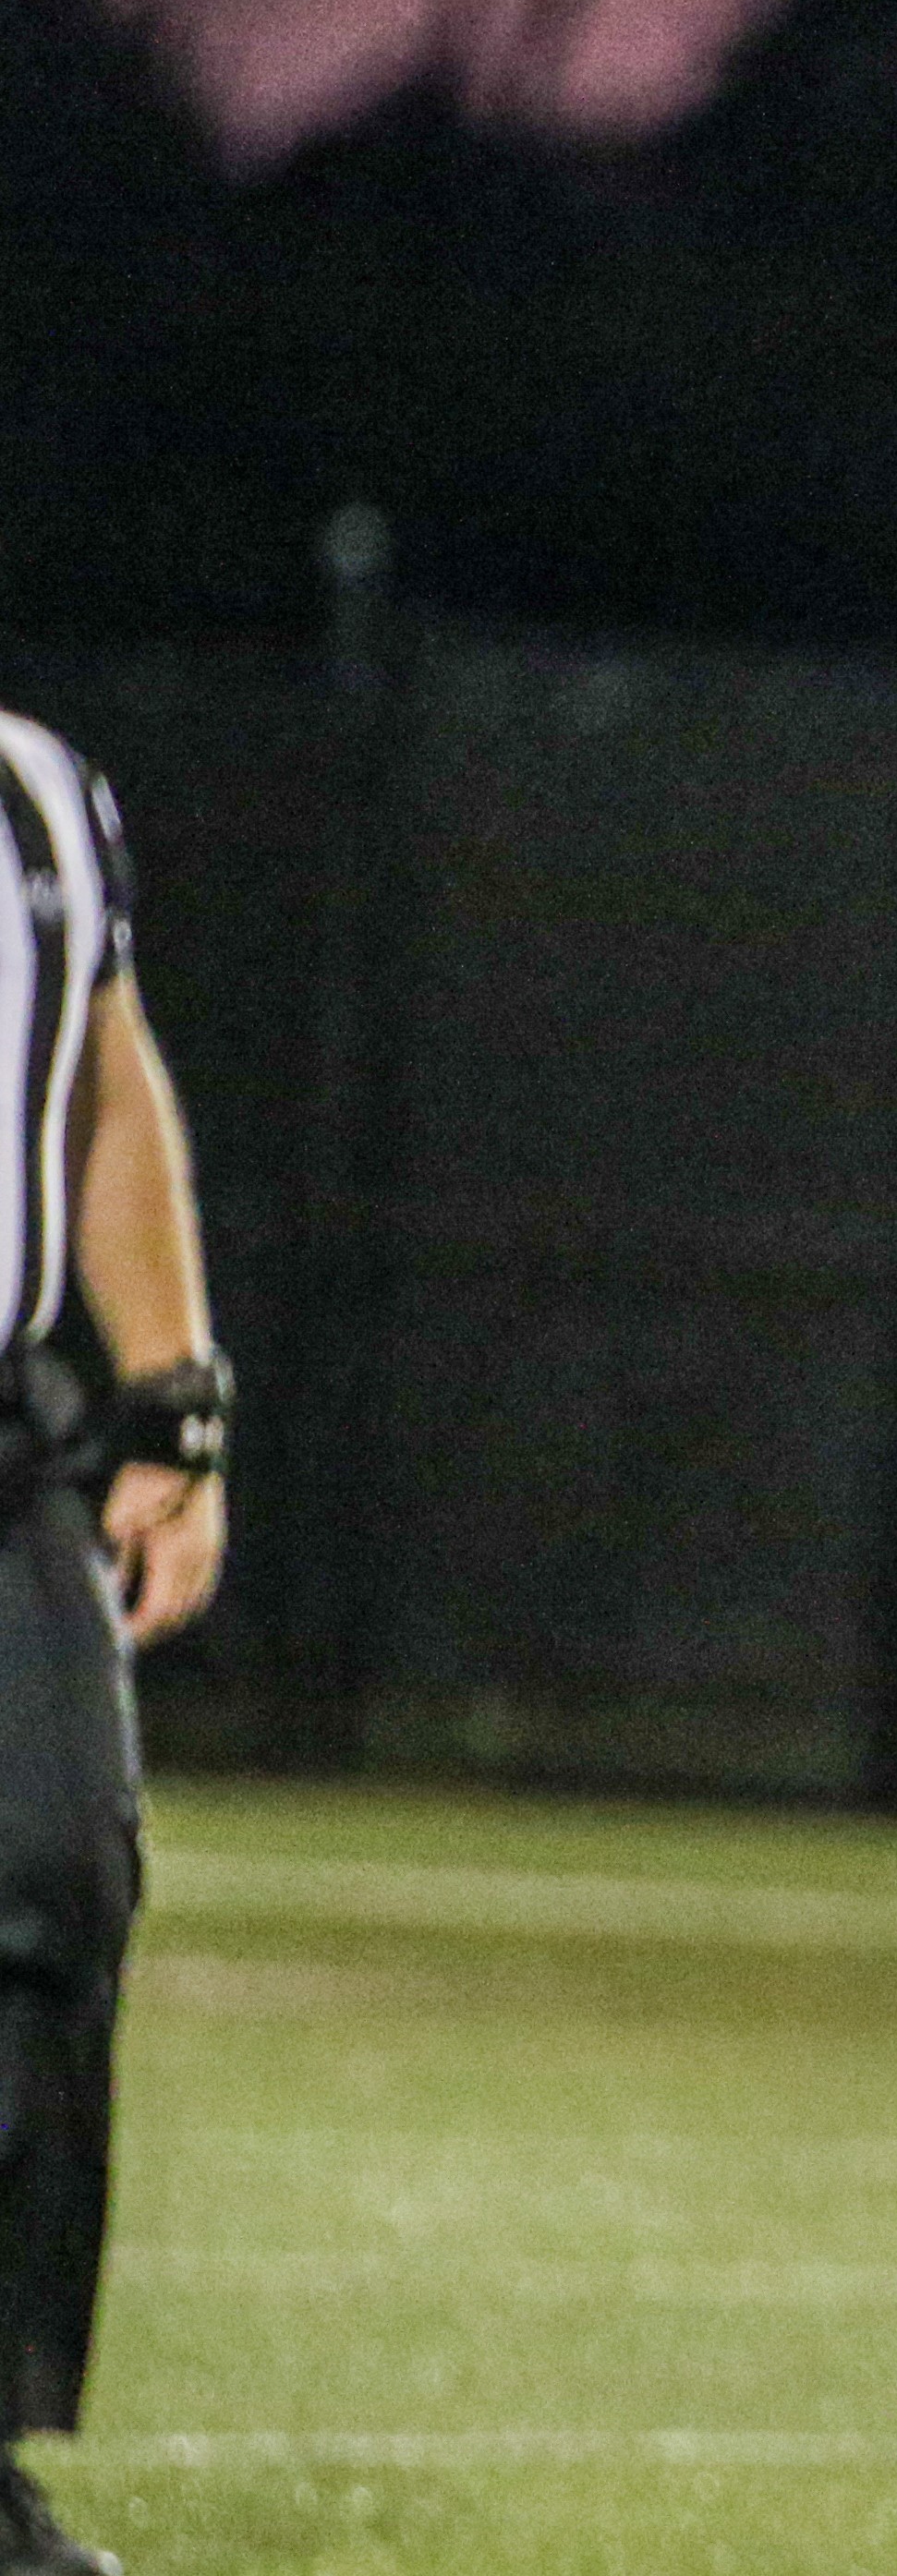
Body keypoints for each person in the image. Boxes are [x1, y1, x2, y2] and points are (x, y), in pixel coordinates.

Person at [0, 717, 227, 2576]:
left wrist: (169, 1396)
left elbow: (99, 1077)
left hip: (6, 1436)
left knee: (56, 1873)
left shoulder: (37, 790)